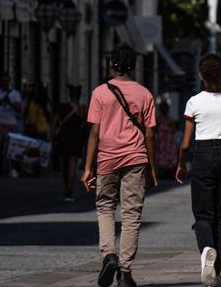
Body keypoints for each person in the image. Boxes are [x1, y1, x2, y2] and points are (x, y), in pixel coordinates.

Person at [82, 43, 158, 287]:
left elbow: (94, 132)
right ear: (133, 66)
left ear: (111, 64)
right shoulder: (145, 94)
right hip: (136, 158)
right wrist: (153, 167)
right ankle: (125, 271)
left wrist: (87, 167)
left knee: (105, 206)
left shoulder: (99, 93)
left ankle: (109, 255)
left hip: (107, 157)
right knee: (131, 214)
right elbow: (149, 135)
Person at [176, 53, 221, 287]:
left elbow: (185, 142)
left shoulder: (194, 102)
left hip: (202, 155)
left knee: (203, 215)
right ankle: (217, 274)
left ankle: (206, 250)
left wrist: (181, 164)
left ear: (201, 76)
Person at [55, 84, 88, 202]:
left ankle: (66, 188)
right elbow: (86, 124)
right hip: (77, 139)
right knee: (73, 165)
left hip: (64, 139)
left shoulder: (63, 107)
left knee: (65, 165)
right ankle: (69, 191)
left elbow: (56, 122)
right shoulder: (82, 109)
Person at [0, 73, 22, 178]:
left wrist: (10, 102)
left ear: (9, 82)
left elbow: (19, 109)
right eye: (2, 81)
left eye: (6, 81)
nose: (4, 83)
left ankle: (12, 169)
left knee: (12, 147)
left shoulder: (15, 94)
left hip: (11, 123)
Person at [22, 83, 53, 177]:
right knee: (38, 150)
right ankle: (38, 170)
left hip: (39, 129)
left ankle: (39, 170)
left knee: (38, 150)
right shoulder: (35, 101)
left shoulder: (40, 102)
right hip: (36, 129)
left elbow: (48, 117)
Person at [155, 103, 180, 180]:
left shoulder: (170, 120)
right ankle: (163, 172)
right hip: (162, 142)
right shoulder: (159, 119)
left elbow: (174, 130)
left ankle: (168, 173)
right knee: (162, 157)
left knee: (169, 157)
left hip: (168, 142)